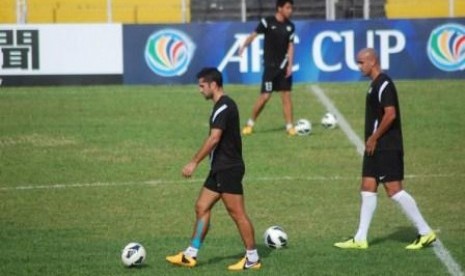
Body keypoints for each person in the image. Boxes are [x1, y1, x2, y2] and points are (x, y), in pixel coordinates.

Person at [334, 48, 436, 250]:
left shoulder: (384, 84)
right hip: (374, 148)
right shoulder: (374, 85)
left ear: (373, 61)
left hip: (386, 146)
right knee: (367, 187)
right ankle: (360, 238)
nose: (359, 66)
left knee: (394, 190)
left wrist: (374, 137)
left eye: (361, 62)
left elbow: (391, 114)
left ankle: (425, 232)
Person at [165, 67, 261, 271]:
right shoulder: (219, 105)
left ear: (213, 85)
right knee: (202, 207)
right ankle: (190, 255)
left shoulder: (225, 106)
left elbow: (214, 138)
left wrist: (194, 162)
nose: (200, 90)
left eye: (202, 86)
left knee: (237, 213)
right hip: (219, 168)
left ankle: (252, 258)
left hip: (228, 168)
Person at [239, 0, 296, 136]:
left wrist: (290, 65)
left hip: (283, 68)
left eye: (291, 8)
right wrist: (244, 46)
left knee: (286, 96)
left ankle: (289, 127)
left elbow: (290, 46)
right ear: (279, 8)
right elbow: (254, 35)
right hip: (270, 69)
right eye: (288, 8)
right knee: (265, 96)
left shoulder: (290, 26)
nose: (290, 11)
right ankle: (250, 124)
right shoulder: (267, 22)